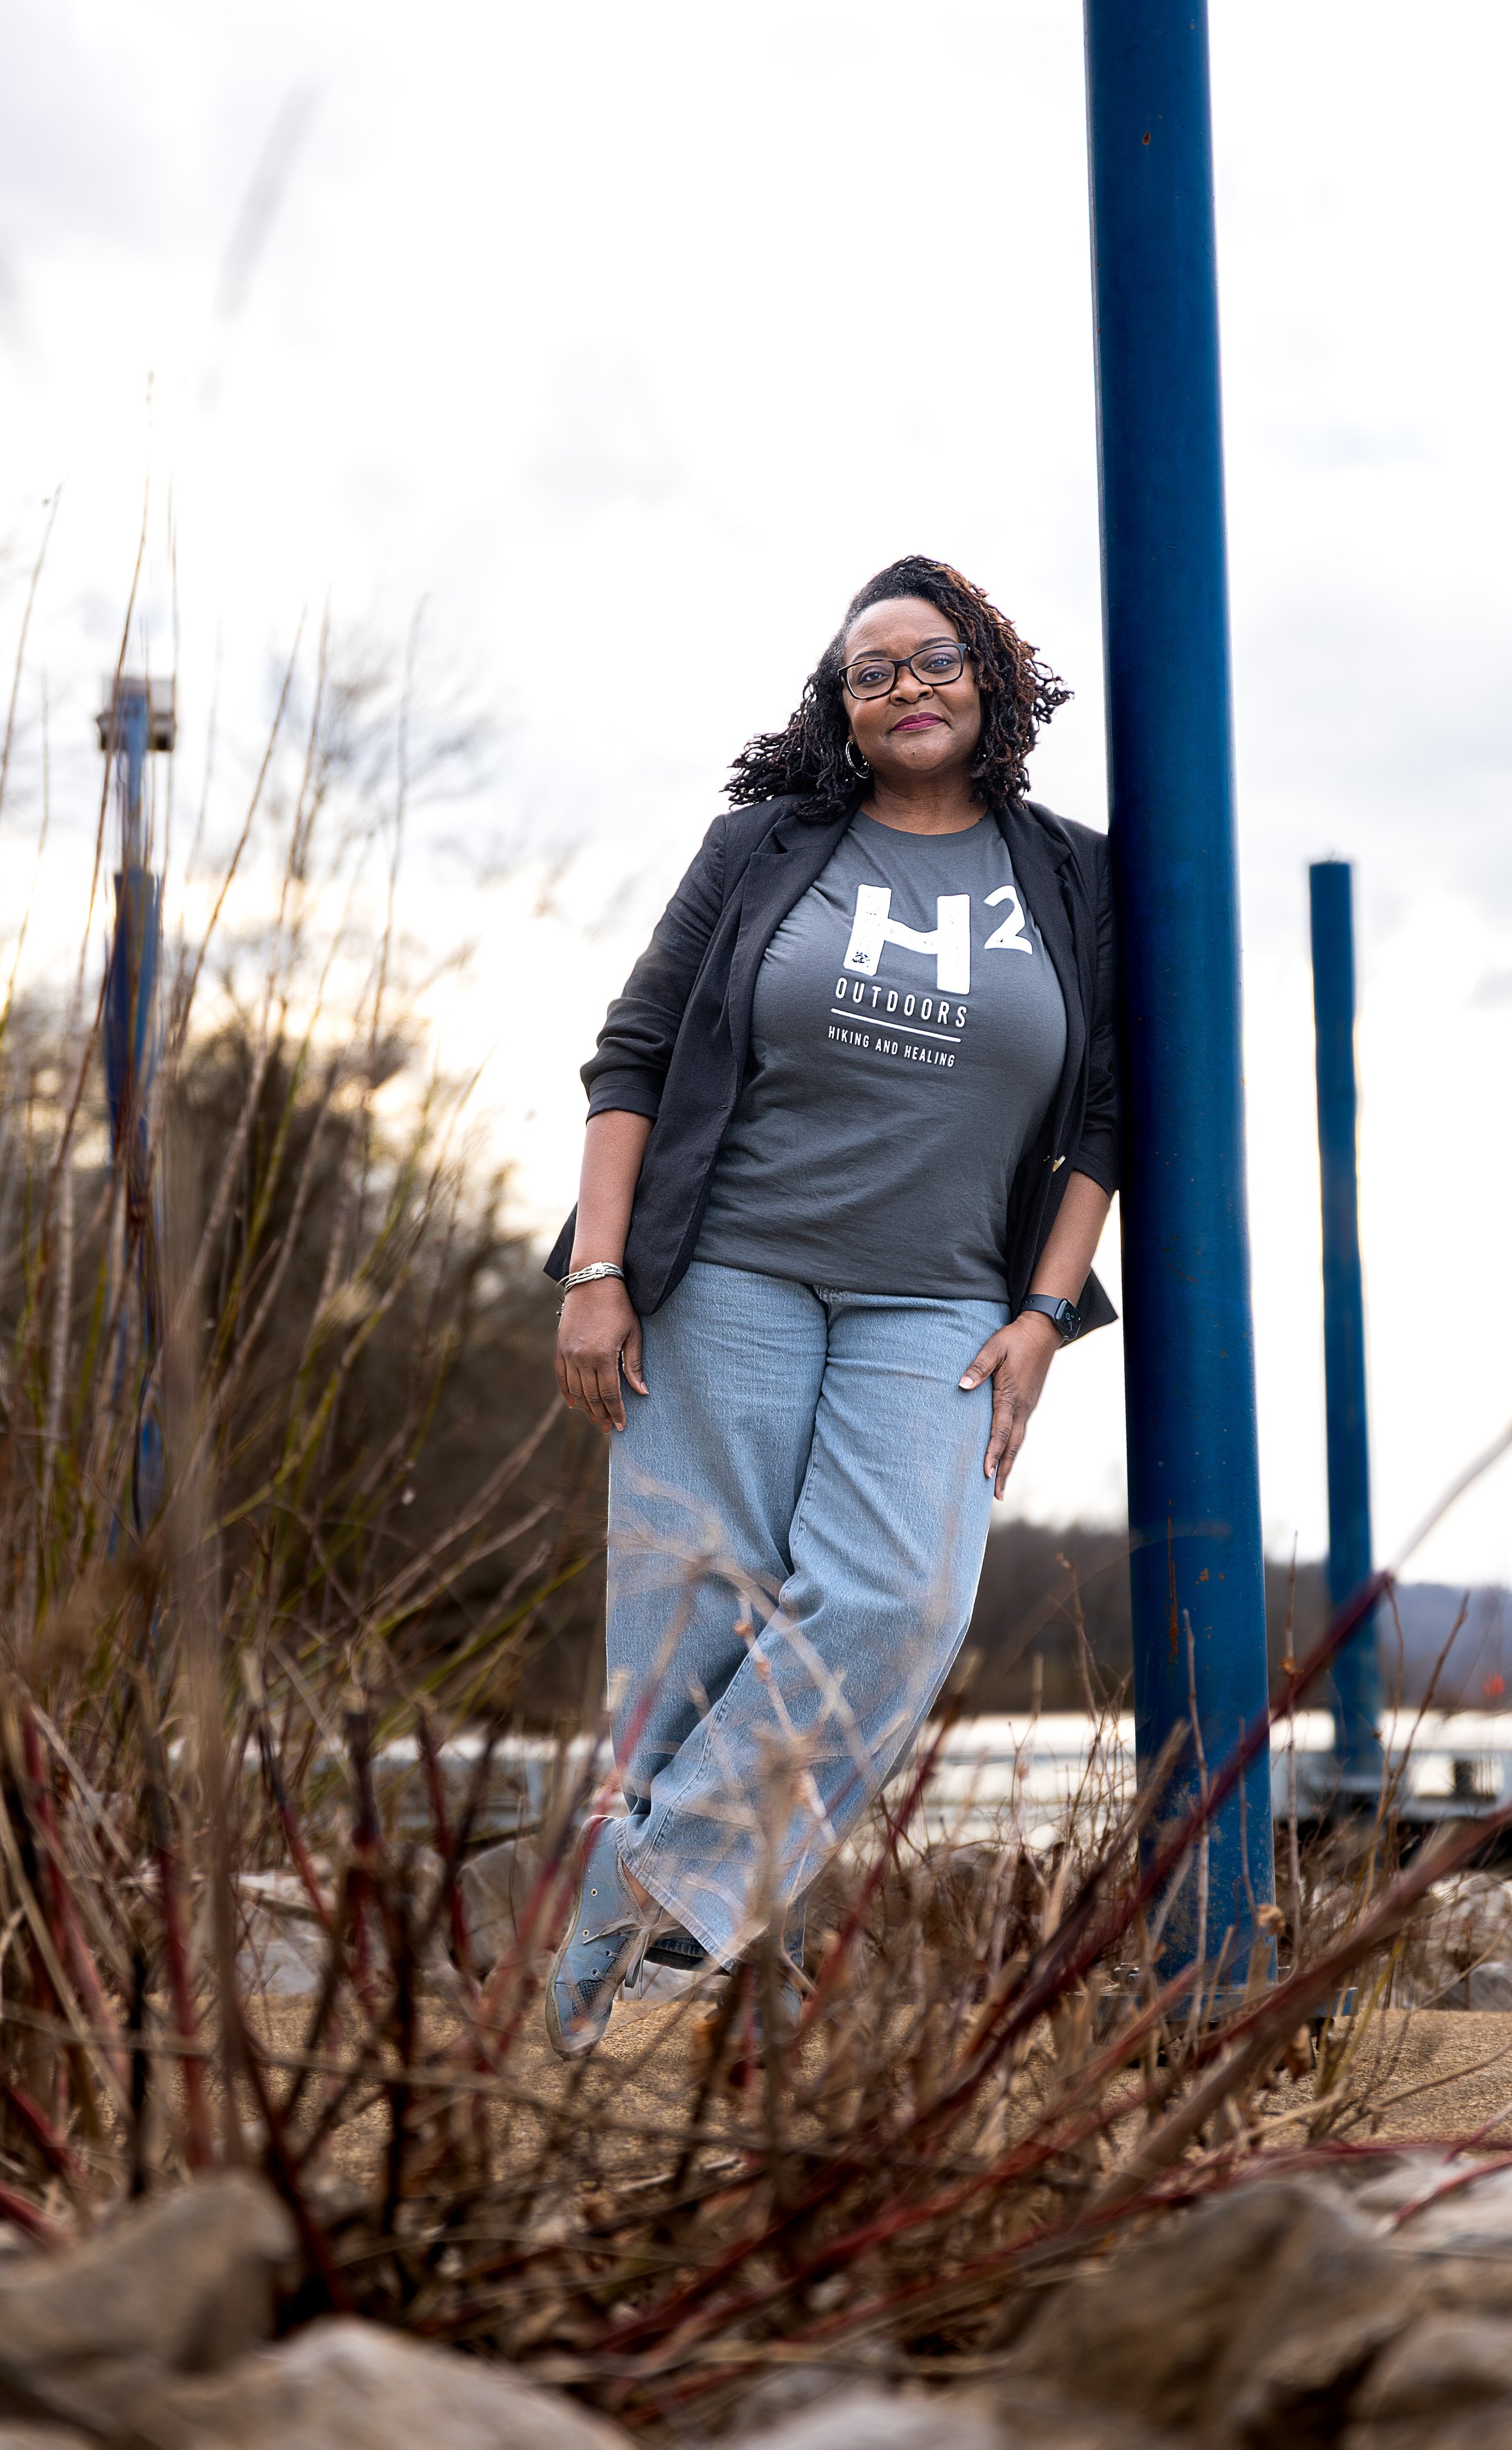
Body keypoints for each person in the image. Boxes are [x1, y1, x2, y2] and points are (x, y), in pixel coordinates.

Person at [542, 555, 1117, 2056]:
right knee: (694, 1613)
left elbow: (1103, 1119)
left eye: (932, 659)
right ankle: (618, 2024)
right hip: (723, 1269)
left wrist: (1044, 1314)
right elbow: (634, 1056)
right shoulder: (760, 849)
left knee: (898, 1599)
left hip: (941, 1297)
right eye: (871, 670)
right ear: (839, 705)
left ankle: (631, 1886)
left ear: (987, 676)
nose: (904, 686)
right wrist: (597, 1272)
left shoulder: (1073, 875)